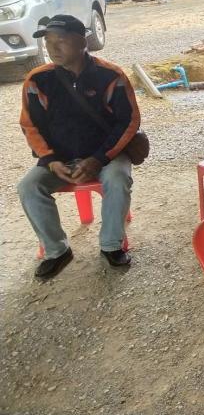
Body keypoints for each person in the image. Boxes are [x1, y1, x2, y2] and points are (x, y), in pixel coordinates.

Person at [17, 15, 140, 279]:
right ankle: (57, 251)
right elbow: (30, 125)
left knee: (117, 179)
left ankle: (111, 245)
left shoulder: (111, 76)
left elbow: (129, 121)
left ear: (82, 41)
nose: (53, 48)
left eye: (60, 40)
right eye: (48, 42)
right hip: (59, 159)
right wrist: (50, 160)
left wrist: (99, 158)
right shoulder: (37, 80)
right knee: (28, 186)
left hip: (106, 156)